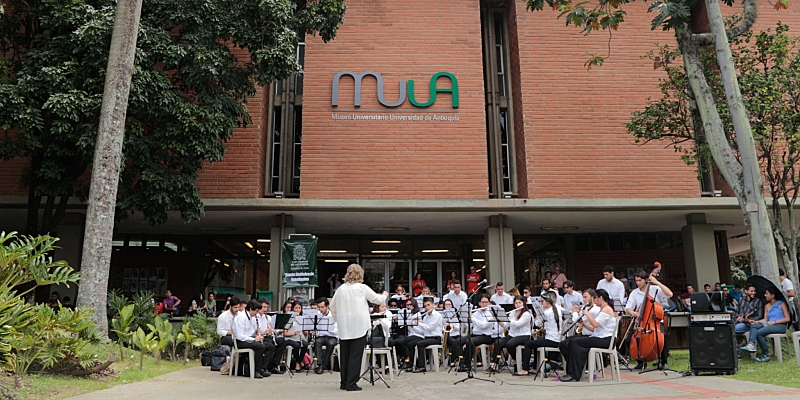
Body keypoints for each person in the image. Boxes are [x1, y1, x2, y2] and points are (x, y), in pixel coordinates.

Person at [329, 264, 387, 391]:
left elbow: (332, 307)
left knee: (344, 355)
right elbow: (377, 299)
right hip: (359, 325)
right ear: (361, 274)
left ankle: (344, 382)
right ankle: (351, 383)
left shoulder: (340, 289)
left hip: (344, 326)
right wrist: (385, 295)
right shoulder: (362, 288)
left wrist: (337, 319)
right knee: (355, 355)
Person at [559, 288, 617, 382]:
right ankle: (574, 370)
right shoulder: (603, 309)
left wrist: (586, 313)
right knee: (571, 341)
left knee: (576, 342)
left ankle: (574, 373)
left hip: (606, 339)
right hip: (599, 336)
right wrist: (584, 324)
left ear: (600, 298)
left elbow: (595, 324)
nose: (594, 301)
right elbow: (594, 328)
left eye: (595, 298)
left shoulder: (606, 309)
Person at [624, 270, 672, 370]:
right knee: (628, 340)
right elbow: (628, 307)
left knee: (661, 339)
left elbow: (669, 294)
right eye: (636, 281)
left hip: (655, 320)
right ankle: (640, 361)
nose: (637, 283)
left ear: (646, 280)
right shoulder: (634, 293)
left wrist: (656, 282)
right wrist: (633, 313)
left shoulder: (655, 289)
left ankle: (664, 361)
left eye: (640, 280)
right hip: (641, 322)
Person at [740, 287, 791, 362]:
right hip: (769, 324)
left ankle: (766, 354)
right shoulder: (766, 306)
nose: (765, 295)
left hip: (780, 325)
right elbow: (765, 319)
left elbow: (787, 319)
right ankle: (751, 344)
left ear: (772, 295)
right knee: (753, 326)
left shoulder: (781, 304)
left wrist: (774, 322)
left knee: (759, 333)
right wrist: (756, 322)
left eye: (767, 294)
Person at [517, 292, 562, 376]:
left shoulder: (547, 312)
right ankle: (534, 368)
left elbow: (536, 324)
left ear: (548, 302)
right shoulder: (556, 310)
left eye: (542, 301)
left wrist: (537, 314)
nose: (541, 303)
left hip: (551, 339)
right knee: (536, 342)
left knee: (528, 344)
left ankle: (525, 369)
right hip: (556, 338)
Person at [485, 295, 532, 374]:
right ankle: (494, 365)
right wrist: (498, 319)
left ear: (524, 303)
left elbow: (518, 324)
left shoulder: (527, 314)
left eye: (520, 303)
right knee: (498, 342)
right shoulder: (513, 312)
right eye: (516, 303)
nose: (518, 305)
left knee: (510, 344)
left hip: (524, 335)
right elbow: (506, 326)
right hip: (512, 334)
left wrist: (509, 320)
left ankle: (516, 360)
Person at [453, 294, 499, 371]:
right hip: (475, 334)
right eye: (482, 302)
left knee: (469, 342)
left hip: (486, 336)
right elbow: (470, 326)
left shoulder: (491, 314)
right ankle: (462, 362)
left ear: (489, 303)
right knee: (458, 341)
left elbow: (483, 325)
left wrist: (472, 317)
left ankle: (467, 364)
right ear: (479, 303)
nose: (484, 304)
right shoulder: (476, 313)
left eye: (486, 302)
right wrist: (464, 318)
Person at [233, 300, 271, 378]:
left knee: (269, 346)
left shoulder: (251, 317)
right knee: (260, 346)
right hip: (239, 341)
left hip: (246, 339)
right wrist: (254, 339)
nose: (257, 313)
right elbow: (240, 336)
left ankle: (262, 368)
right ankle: (256, 370)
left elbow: (249, 331)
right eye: (256, 311)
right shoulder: (241, 317)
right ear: (250, 309)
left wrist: (255, 333)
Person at [406, 297, 443, 373]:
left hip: (436, 338)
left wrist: (418, 323)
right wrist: (413, 326)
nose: (427, 307)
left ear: (433, 305)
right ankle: (412, 365)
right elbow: (422, 331)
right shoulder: (426, 317)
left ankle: (422, 366)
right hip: (427, 337)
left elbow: (430, 328)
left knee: (420, 344)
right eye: (425, 306)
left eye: (428, 305)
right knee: (410, 344)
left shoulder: (437, 315)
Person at [560, 289, 601, 354]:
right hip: (585, 334)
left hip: (590, 336)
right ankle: (569, 362)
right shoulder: (587, 308)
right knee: (563, 343)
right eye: (583, 297)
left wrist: (574, 312)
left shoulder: (594, 310)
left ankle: (574, 363)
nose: (584, 300)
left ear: (593, 297)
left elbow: (578, 322)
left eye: (585, 297)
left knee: (569, 343)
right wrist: (579, 312)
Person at [255, 298, 287, 374]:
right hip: (261, 337)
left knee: (282, 341)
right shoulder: (255, 317)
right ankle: (263, 368)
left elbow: (272, 330)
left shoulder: (268, 317)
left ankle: (274, 365)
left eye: (266, 307)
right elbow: (254, 333)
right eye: (263, 307)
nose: (265, 309)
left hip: (268, 337)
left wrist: (278, 330)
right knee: (270, 345)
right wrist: (264, 332)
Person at [734, 283, 762, 357]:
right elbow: (737, 311)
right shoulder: (741, 300)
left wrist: (745, 319)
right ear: (746, 291)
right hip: (739, 321)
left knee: (732, 330)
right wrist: (737, 317)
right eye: (751, 291)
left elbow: (759, 316)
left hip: (748, 324)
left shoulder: (758, 301)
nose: (753, 293)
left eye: (754, 291)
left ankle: (737, 353)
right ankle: (736, 350)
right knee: (728, 329)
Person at [313, 298, 338, 374]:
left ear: (327, 306)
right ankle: (320, 365)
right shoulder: (317, 315)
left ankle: (324, 365)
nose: (320, 309)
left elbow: (336, 330)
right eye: (319, 307)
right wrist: (315, 331)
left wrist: (327, 327)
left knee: (330, 344)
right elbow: (317, 332)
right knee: (317, 342)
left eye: (322, 307)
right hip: (321, 336)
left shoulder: (333, 315)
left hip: (332, 336)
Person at [284, 302, 309, 371]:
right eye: (296, 308)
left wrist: (305, 328)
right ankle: (298, 363)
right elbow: (285, 334)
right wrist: (293, 333)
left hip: (299, 338)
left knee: (305, 344)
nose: (298, 310)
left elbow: (305, 334)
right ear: (292, 309)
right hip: (290, 338)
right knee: (297, 345)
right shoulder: (288, 318)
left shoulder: (302, 318)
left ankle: (298, 361)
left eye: (299, 308)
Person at [441, 299, 462, 368]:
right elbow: (441, 328)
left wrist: (453, 325)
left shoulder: (455, 314)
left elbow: (458, 328)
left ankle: (458, 358)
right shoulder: (441, 315)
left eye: (449, 305)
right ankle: (453, 360)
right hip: (447, 335)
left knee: (459, 341)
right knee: (453, 342)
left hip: (456, 333)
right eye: (446, 305)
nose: (448, 306)